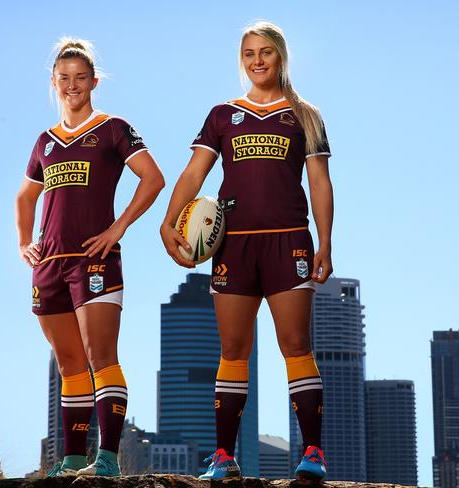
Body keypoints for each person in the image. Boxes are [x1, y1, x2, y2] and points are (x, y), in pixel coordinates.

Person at [160, 21, 333, 481]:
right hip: (233, 245)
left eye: (266, 53)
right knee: (233, 348)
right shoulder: (222, 114)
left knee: (295, 344)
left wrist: (326, 241)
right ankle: (224, 456)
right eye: (249, 53)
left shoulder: (306, 116)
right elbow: (195, 173)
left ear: (281, 57)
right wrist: (167, 220)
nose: (258, 61)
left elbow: (319, 183)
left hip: (289, 238)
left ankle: (312, 451)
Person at [15, 37, 164, 477]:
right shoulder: (45, 141)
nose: (72, 85)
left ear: (94, 81)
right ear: (54, 82)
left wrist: (117, 228)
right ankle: (73, 459)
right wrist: (25, 242)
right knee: (70, 365)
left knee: (102, 358)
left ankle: (109, 459)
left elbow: (153, 179)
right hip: (49, 265)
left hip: (95, 259)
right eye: (64, 78)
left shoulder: (113, 128)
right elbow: (26, 196)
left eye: (81, 78)